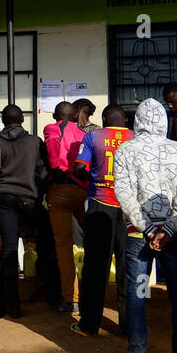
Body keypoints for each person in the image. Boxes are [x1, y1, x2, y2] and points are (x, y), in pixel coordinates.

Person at [113, 97, 177, 353]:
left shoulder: (125, 151)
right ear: (163, 121)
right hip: (174, 238)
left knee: (138, 296)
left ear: (137, 122)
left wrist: (148, 229)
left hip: (139, 237)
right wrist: (168, 229)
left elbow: (124, 194)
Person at [0, 104, 48, 319]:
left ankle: (13, 304)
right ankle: (49, 291)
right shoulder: (34, 142)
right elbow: (44, 173)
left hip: (4, 199)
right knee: (48, 237)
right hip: (29, 199)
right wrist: (38, 193)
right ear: (21, 120)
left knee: (9, 246)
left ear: (3, 121)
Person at [73, 104, 133, 337]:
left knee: (95, 267)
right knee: (128, 269)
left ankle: (89, 324)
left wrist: (94, 180)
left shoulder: (93, 136)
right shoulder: (135, 138)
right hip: (130, 210)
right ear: (125, 119)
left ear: (105, 119)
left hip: (101, 205)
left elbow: (79, 169)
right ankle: (129, 327)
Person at [44, 100, 88, 313]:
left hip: (59, 190)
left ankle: (71, 299)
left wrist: (56, 167)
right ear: (75, 116)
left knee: (63, 247)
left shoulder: (52, 128)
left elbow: (53, 150)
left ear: (55, 116)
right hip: (83, 190)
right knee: (92, 244)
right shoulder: (83, 134)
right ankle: (91, 295)